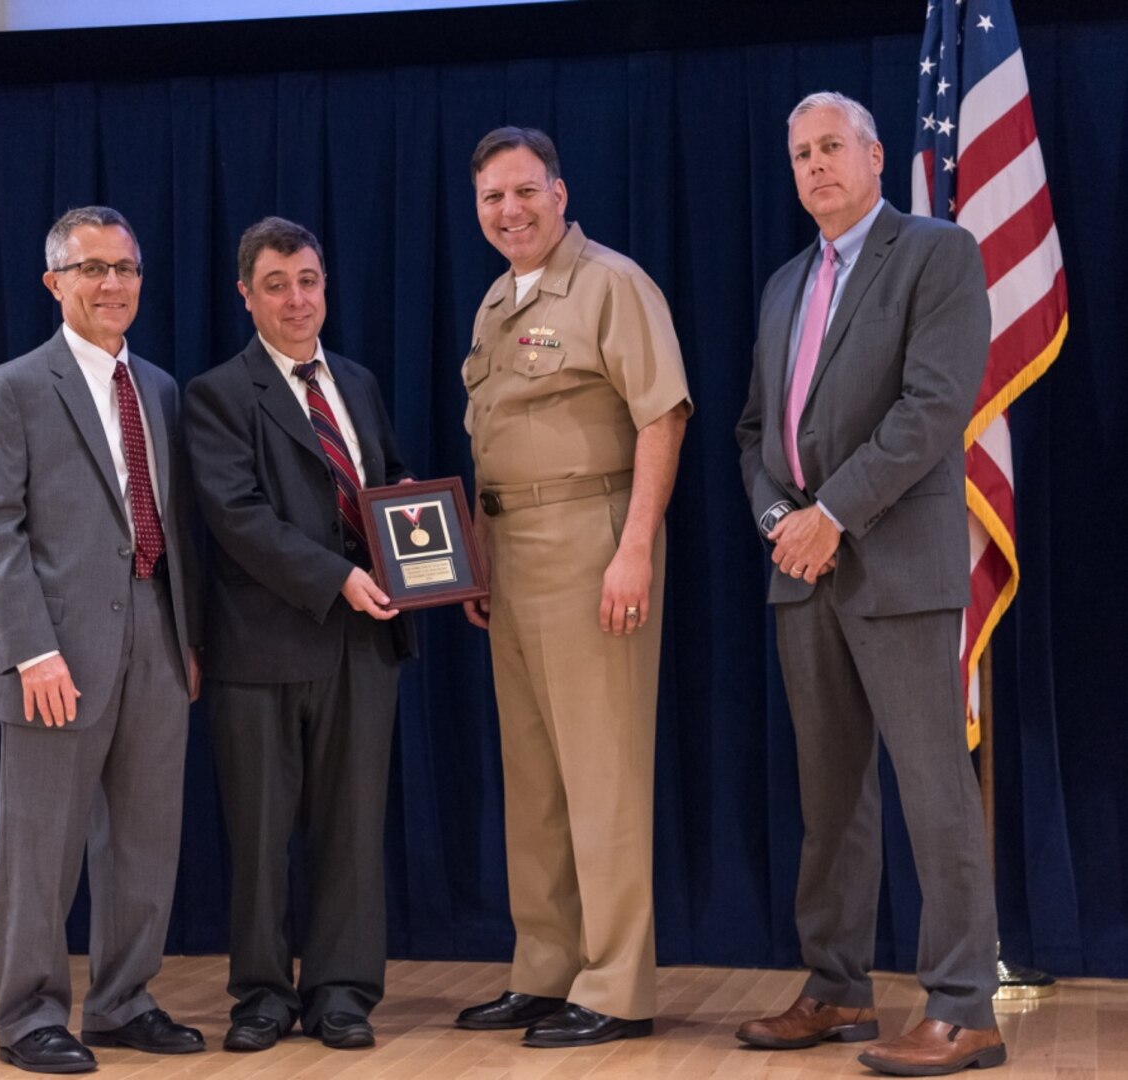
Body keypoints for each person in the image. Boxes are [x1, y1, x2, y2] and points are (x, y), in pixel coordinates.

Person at [734, 92, 1005, 1075]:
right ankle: (835, 988)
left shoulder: (937, 254)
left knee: (932, 793)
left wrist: (830, 515)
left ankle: (962, 1005)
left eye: (830, 148)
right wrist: (781, 523)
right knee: (829, 799)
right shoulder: (780, 284)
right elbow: (754, 435)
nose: (814, 166)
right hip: (800, 574)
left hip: (892, 562)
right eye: (799, 152)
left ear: (875, 156)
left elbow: (932, 406)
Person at [454, 127, 691, 1048]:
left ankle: (619, 985)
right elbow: (495, 437)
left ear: (559, 191)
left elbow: (662, 417)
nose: (509, 211)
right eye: (490, 200)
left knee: (603, 772)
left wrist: (634, 548)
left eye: (523, 192)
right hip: (510, 555)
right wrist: (475, 550)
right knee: (537, 780)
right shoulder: (494, 302)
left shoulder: (612, 284)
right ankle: (546, 969)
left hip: (594, 541)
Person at [0, 206, 204, 1074]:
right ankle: (28, 1018)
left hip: (155, 635)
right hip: (53, 652)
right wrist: (30, 651)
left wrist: (188, 637)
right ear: (53, 282)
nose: (113, 284)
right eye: (92, 268)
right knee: (42, 843)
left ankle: (122, 1000)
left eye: (126, 268)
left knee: (145, 837)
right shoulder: (12, 388)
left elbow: (174, 528)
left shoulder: (163, 391)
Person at [184, 216, 414, 1053]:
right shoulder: (216, 393)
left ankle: (341, 992)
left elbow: (383, 482)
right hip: (263, 646)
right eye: (276, 284)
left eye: (308, 280)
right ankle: (259, 996)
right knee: (258, 831)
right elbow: (237, 519)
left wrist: (418, 526)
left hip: (363, 643)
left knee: (352, 825)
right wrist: (337, 578)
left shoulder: (356, 379)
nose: (295, 298)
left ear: (326, 285)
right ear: (245, 295)